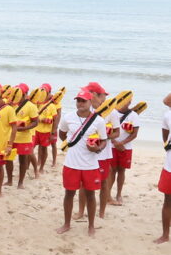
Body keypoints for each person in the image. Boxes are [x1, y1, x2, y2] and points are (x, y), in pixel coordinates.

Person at [57, 89, 107, 236]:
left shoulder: (98, 121)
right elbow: (62, 133)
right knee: (69, 193)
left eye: (83, 100)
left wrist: (96, 149)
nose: (80, 103)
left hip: (90, 165)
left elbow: (104, 141)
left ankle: (91, 226)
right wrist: (71, 144)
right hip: (71, 163)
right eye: (78, 100)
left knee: (91, 195)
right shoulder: (68, 117)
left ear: (90, 102)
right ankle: (66, 224)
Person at [74, 82, 119, 219]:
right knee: (83, 183)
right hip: (86, 151)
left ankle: (101, 212)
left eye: (87, 92)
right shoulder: (84, 110)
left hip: (103, 153)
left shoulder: (111, 111)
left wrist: (101, 138)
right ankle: (81, 211)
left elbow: (117, 132)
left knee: (104, 182)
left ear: (93, 94)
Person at [109, 98, 140, 205]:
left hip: (126, 147)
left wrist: (121, 143)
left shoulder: (133, 115)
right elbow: (105, 130)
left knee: (121, 171)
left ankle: (118, 194)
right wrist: (114, 142)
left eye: (125, 101)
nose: (122, 104)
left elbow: (134, 134)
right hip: (112, 146)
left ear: (130, 102)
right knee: (112, 170)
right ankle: (108, 194)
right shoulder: (112, 113)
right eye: (120, 101)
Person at [12, 83, 39, 188]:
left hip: (24, 137)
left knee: (23, 159)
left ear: (25, 94)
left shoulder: (31, 106)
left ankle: (20, 182)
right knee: (8, 159)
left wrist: (23, 128)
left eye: (20, 94)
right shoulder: (12, 104)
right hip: (11, 137)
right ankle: (9, 180)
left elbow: (35, 122)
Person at [155, 100, 171, 244]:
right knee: (168, 200)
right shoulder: (168, 115)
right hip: (170, 166)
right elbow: (165, 139)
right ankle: (165, 235)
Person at [35, 83, 59, 173]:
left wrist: (53, 132)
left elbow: (55, 118)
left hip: (46, 131)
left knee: (44, 148)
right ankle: (37, 162)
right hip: (37, 130)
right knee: (35, 147)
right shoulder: (38, 103)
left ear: (49, 93)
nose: (42, 93)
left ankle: (41, 167)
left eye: (44, 91)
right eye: (41, 91)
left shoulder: (52, 105)